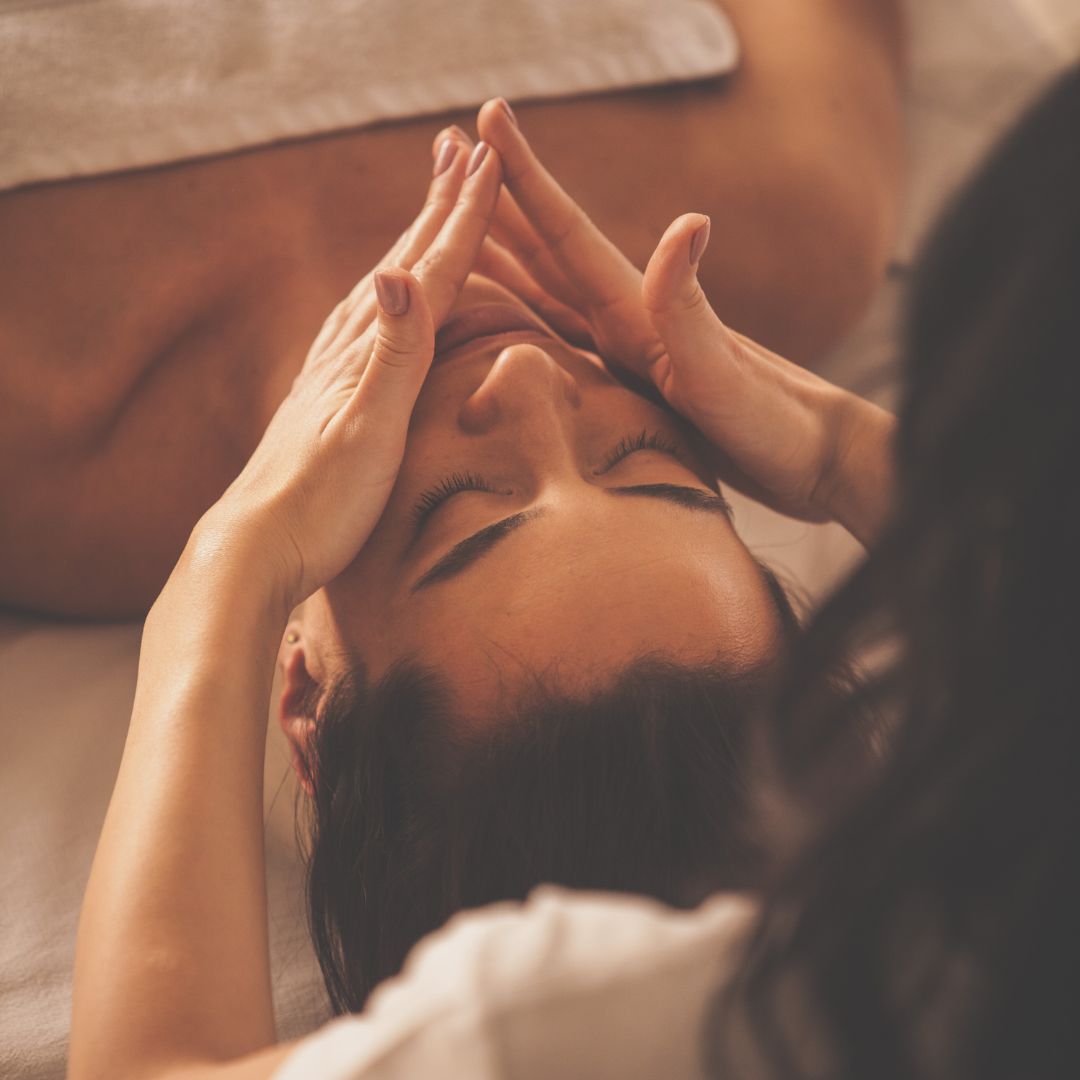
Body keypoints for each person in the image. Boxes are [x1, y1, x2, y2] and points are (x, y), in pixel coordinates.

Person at [68, 89, 897, 1080]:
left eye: (459, 510)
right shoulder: (797, 213)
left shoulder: (48, 415)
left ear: (301, 697)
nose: (532, 379)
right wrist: (838, 445)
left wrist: (233, 556)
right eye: (649, 464)